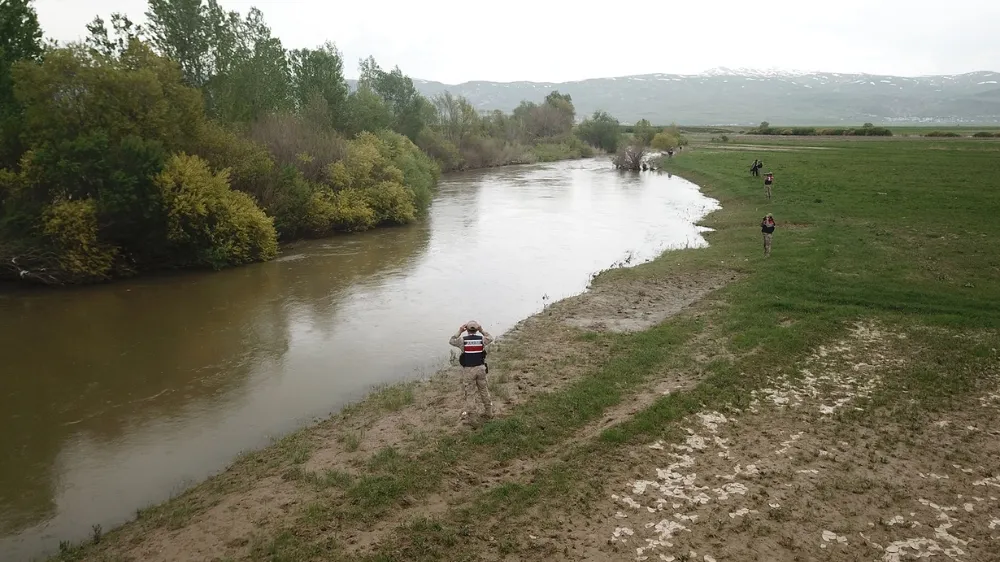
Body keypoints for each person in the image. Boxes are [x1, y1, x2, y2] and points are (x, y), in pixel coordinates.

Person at [449, 321, 494, 419]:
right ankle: (489, 412)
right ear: (476, 330)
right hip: (481, 369)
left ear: (467, 330)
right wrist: (482, 330)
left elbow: (451, 340)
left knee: (470, 393)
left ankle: (473, 417)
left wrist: (460, 331)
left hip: (469, 370)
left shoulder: (462, 340)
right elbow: (490, 338)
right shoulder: (482, 339)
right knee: (484, 390)